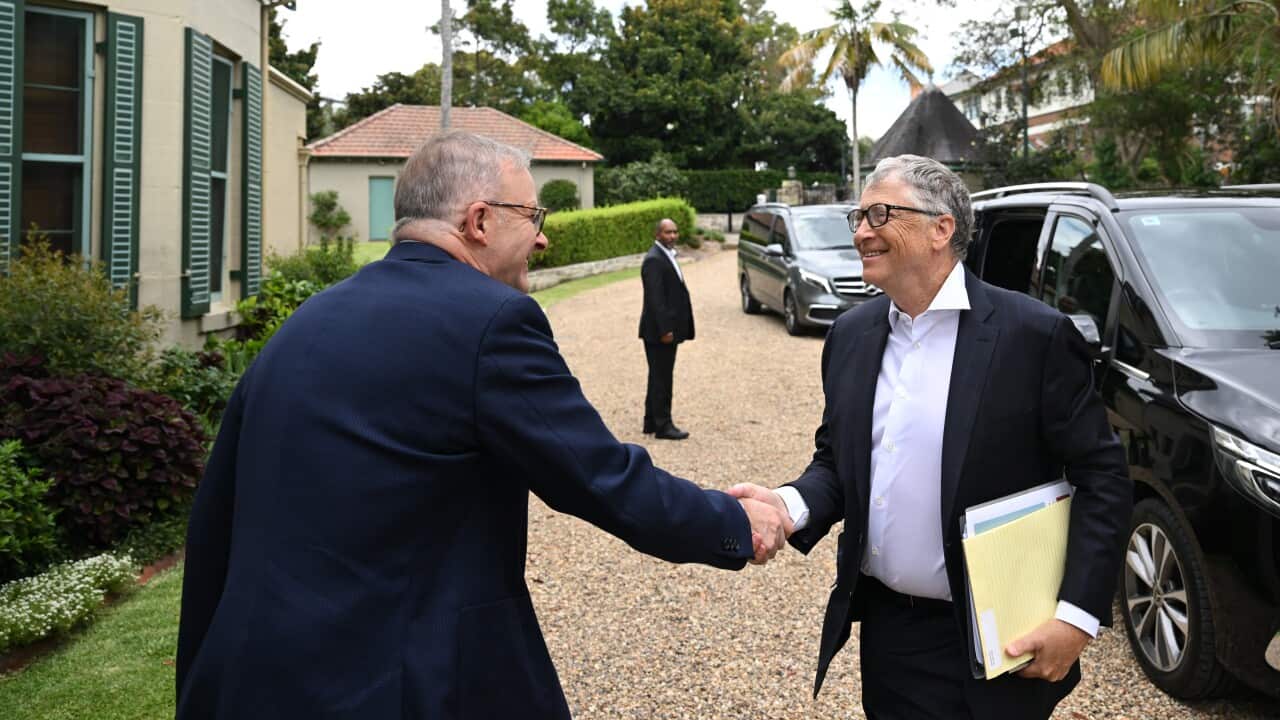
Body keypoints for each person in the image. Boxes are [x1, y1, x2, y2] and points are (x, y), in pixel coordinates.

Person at [175, 131, 791, 720]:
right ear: (479, 221)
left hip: (251, 680)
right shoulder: (492, 320)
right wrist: (735, 521)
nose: (544, 240)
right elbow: (601, 477)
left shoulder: (306, 321)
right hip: (394, 685)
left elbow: (215, 519)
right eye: (535, 218)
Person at [730, 155, 1131, 719]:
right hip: (891, 637)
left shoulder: (1032, 336)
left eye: (879, 213)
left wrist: (1076, 616)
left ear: (942, 228)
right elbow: (836, 464)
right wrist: (786, 505)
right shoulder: (850, 336)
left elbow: (1103, 477)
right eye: (858, 217)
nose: (862, 231)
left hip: (1002, 638)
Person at [638, 218, 693, 440]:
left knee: (657, 376)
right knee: (662, 378)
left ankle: (651, 421)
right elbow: (655, 300)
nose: (672, 236)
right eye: (668, 232)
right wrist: (665, 330)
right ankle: (663, 426)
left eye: (675, 232)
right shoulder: (653, 259)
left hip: (664, 330)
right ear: (658, 234)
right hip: (659, 332)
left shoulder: (666, 254)